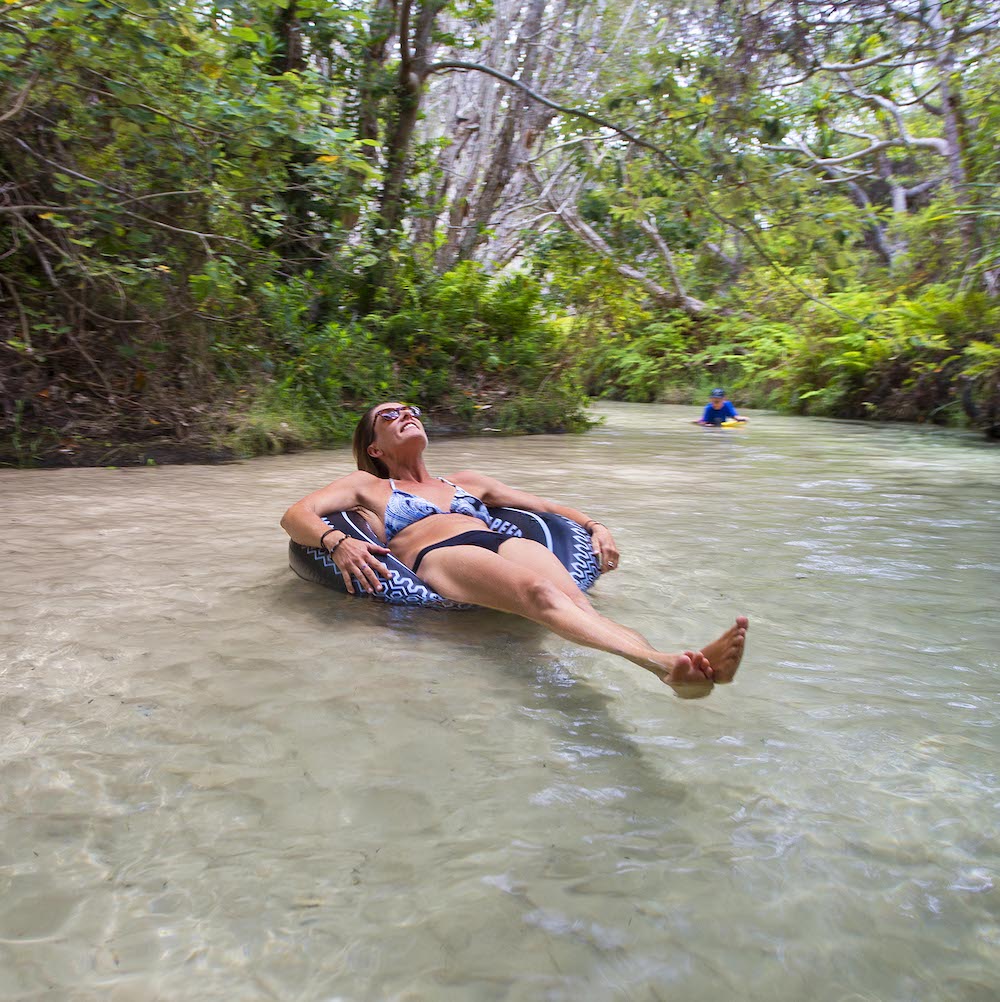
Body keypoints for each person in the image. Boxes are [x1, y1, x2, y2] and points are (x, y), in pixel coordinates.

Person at [281, 401, 748, 697]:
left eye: (411, 410)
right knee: (540, 596)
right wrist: (336, 541)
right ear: (375, 448)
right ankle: (663, 665)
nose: (406, 415)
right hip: (440, 552)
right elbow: (296, 515)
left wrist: (596, 526)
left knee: (578, 602)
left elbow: (544, 506)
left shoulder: (467, 482)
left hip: (502, 541)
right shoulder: (369, 485)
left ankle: (683, 676)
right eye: (390, 415)